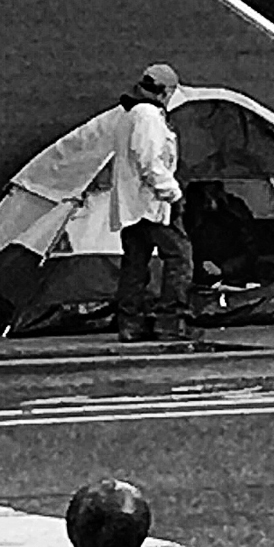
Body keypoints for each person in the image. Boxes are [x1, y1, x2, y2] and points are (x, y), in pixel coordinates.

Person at [109, 63, 192, 344]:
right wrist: (174, 194)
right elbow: (151, 162)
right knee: (180, 257)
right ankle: (171, 321)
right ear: (166, 91)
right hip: (152, 203)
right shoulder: (148, 115)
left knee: (135, 263)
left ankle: (130, 323)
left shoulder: (129, 114)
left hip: (131, 205)